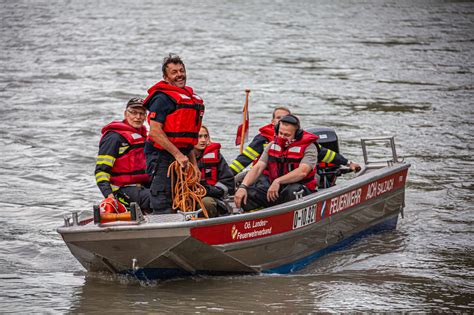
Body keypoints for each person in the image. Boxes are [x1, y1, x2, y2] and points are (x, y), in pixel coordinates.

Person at [234, 114, 360, 211]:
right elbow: (258, 167)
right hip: (276, 187)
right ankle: (258, 221)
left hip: (300, 188)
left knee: (292, 191)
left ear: (297, 134)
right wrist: (243, 187)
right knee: (249, 194)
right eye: (280, 133)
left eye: (287, 135)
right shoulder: (272, 145)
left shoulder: (309, 147)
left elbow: (302, 172)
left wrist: (278, 181)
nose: (282, 137)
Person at [143, 54, 205, 214]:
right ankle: (161, 230)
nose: (179, 75)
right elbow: (155, 132)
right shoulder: (162, 99)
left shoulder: (190, 99)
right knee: (162, 200)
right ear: (166, 77)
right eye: (174, 72)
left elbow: (188, 140)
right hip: (161, 157)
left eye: (181, 71)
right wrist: (177, 155)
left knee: (185, 198)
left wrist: (194, 164)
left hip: (182, 157)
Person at [95, 98, 151, 212]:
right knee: (159, 200)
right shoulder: (114, 137)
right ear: (126, 114)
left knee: (169, 192)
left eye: (141, 113)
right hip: (121, 191)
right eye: (133, 112)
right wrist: (109, 196)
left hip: (142, 186)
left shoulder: (143, 136)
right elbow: (101, 171)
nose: (138, 117)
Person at [229, 106, 291, 175]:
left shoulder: (298, 137)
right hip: (263, 174)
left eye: (285, 118)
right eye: (278, 117)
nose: (281, 120)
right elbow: (246, 158)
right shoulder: (263, 138)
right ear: (273, 121)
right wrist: (227, 174)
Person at [193, 125, 235, 217]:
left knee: (206, 202)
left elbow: (228, 183)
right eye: (199, 136)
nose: (203, 140)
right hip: (187, 197)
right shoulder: (181, 158)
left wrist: (206, 191)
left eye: (205, 136)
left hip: (213, 197)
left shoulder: (216, 157)